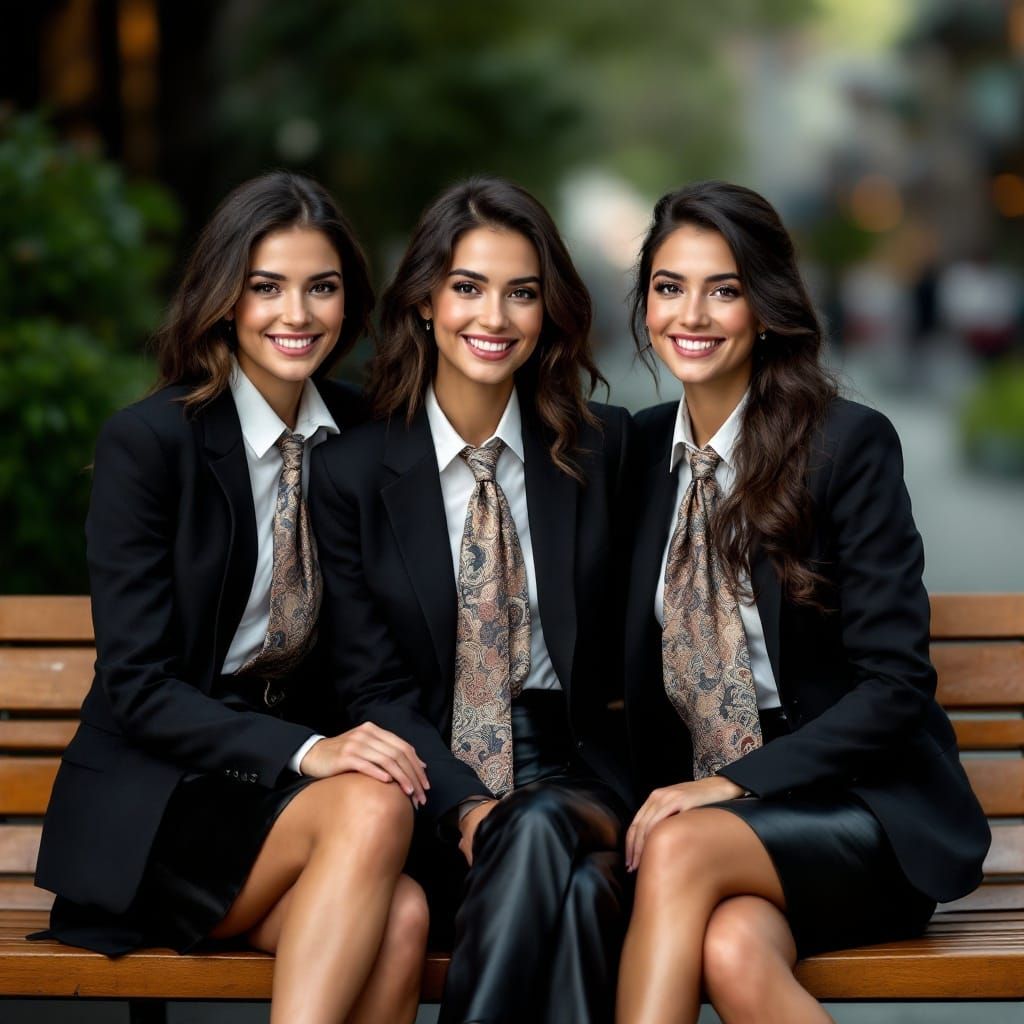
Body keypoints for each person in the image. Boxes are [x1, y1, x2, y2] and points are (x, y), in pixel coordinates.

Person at [34, 171, 429, 1024]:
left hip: (286, 807)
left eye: (321, 287)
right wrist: (308, 750)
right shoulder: (151, 444)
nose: (297, 314)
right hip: (159, 796)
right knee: (369, 800)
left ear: (348, 302)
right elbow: (138, 687)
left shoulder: (369, 436)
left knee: (402, 921)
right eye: (267, 287)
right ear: (224, 297)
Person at [616, 181, 990, 1024]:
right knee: (733, 951)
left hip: (860, 809)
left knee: (675, 849)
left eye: (725, 288)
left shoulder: (847, 446)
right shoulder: (633, 453)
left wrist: (736, 786)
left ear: (766, 304)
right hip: (719, 832)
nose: (693, 314)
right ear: (645, 303)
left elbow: (895, 686)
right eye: (671, 287)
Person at [310, 176, 633, 1024]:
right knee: (580, 897)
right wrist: (464, 803)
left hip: (578, 772)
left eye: (521, 293)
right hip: (431, 781)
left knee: (540, 831)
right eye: (468, 288)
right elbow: (368, 685)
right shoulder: (351, 474)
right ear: (423, 301)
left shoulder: (604, 455)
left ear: (549, 310)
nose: (493, 318)